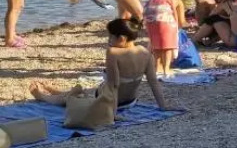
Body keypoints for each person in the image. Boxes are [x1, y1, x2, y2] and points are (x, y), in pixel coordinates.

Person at [29, 18, 170, 110]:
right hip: (130, 102)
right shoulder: (145, 53)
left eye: (111, 36)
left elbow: (113, 85)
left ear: (121, 38)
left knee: (71, 99)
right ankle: (54, 91)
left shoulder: (113, 53)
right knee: (82, 93)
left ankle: (42, 96)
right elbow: (153, 83)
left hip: (110, 102)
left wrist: (113, 114)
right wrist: (163, 106)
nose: (108, 40)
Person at [144, 0, 186, 77]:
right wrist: (192, 25)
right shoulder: (178, 1)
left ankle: (157, 68)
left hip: (149, 16)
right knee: (168, 46)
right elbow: (182, 22)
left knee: (156, 45)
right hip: (164, 18)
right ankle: (166, 69)